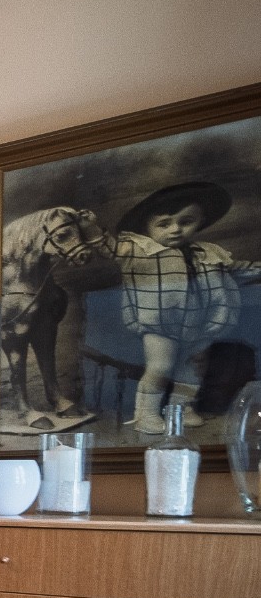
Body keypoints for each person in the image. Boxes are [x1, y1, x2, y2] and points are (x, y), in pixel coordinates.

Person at [110, 182, 259, 433]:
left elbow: (237, 269)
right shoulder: (139, 252)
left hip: (200, 323)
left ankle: (180, 408)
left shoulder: (208, 253)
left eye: (186, 221)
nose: (176, 229)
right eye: (164, 224)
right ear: (146, 227)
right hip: (161, 323)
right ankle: (146, 413)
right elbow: (105, 247)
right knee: (160, 367)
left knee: (192, 369)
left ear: (200, 222)